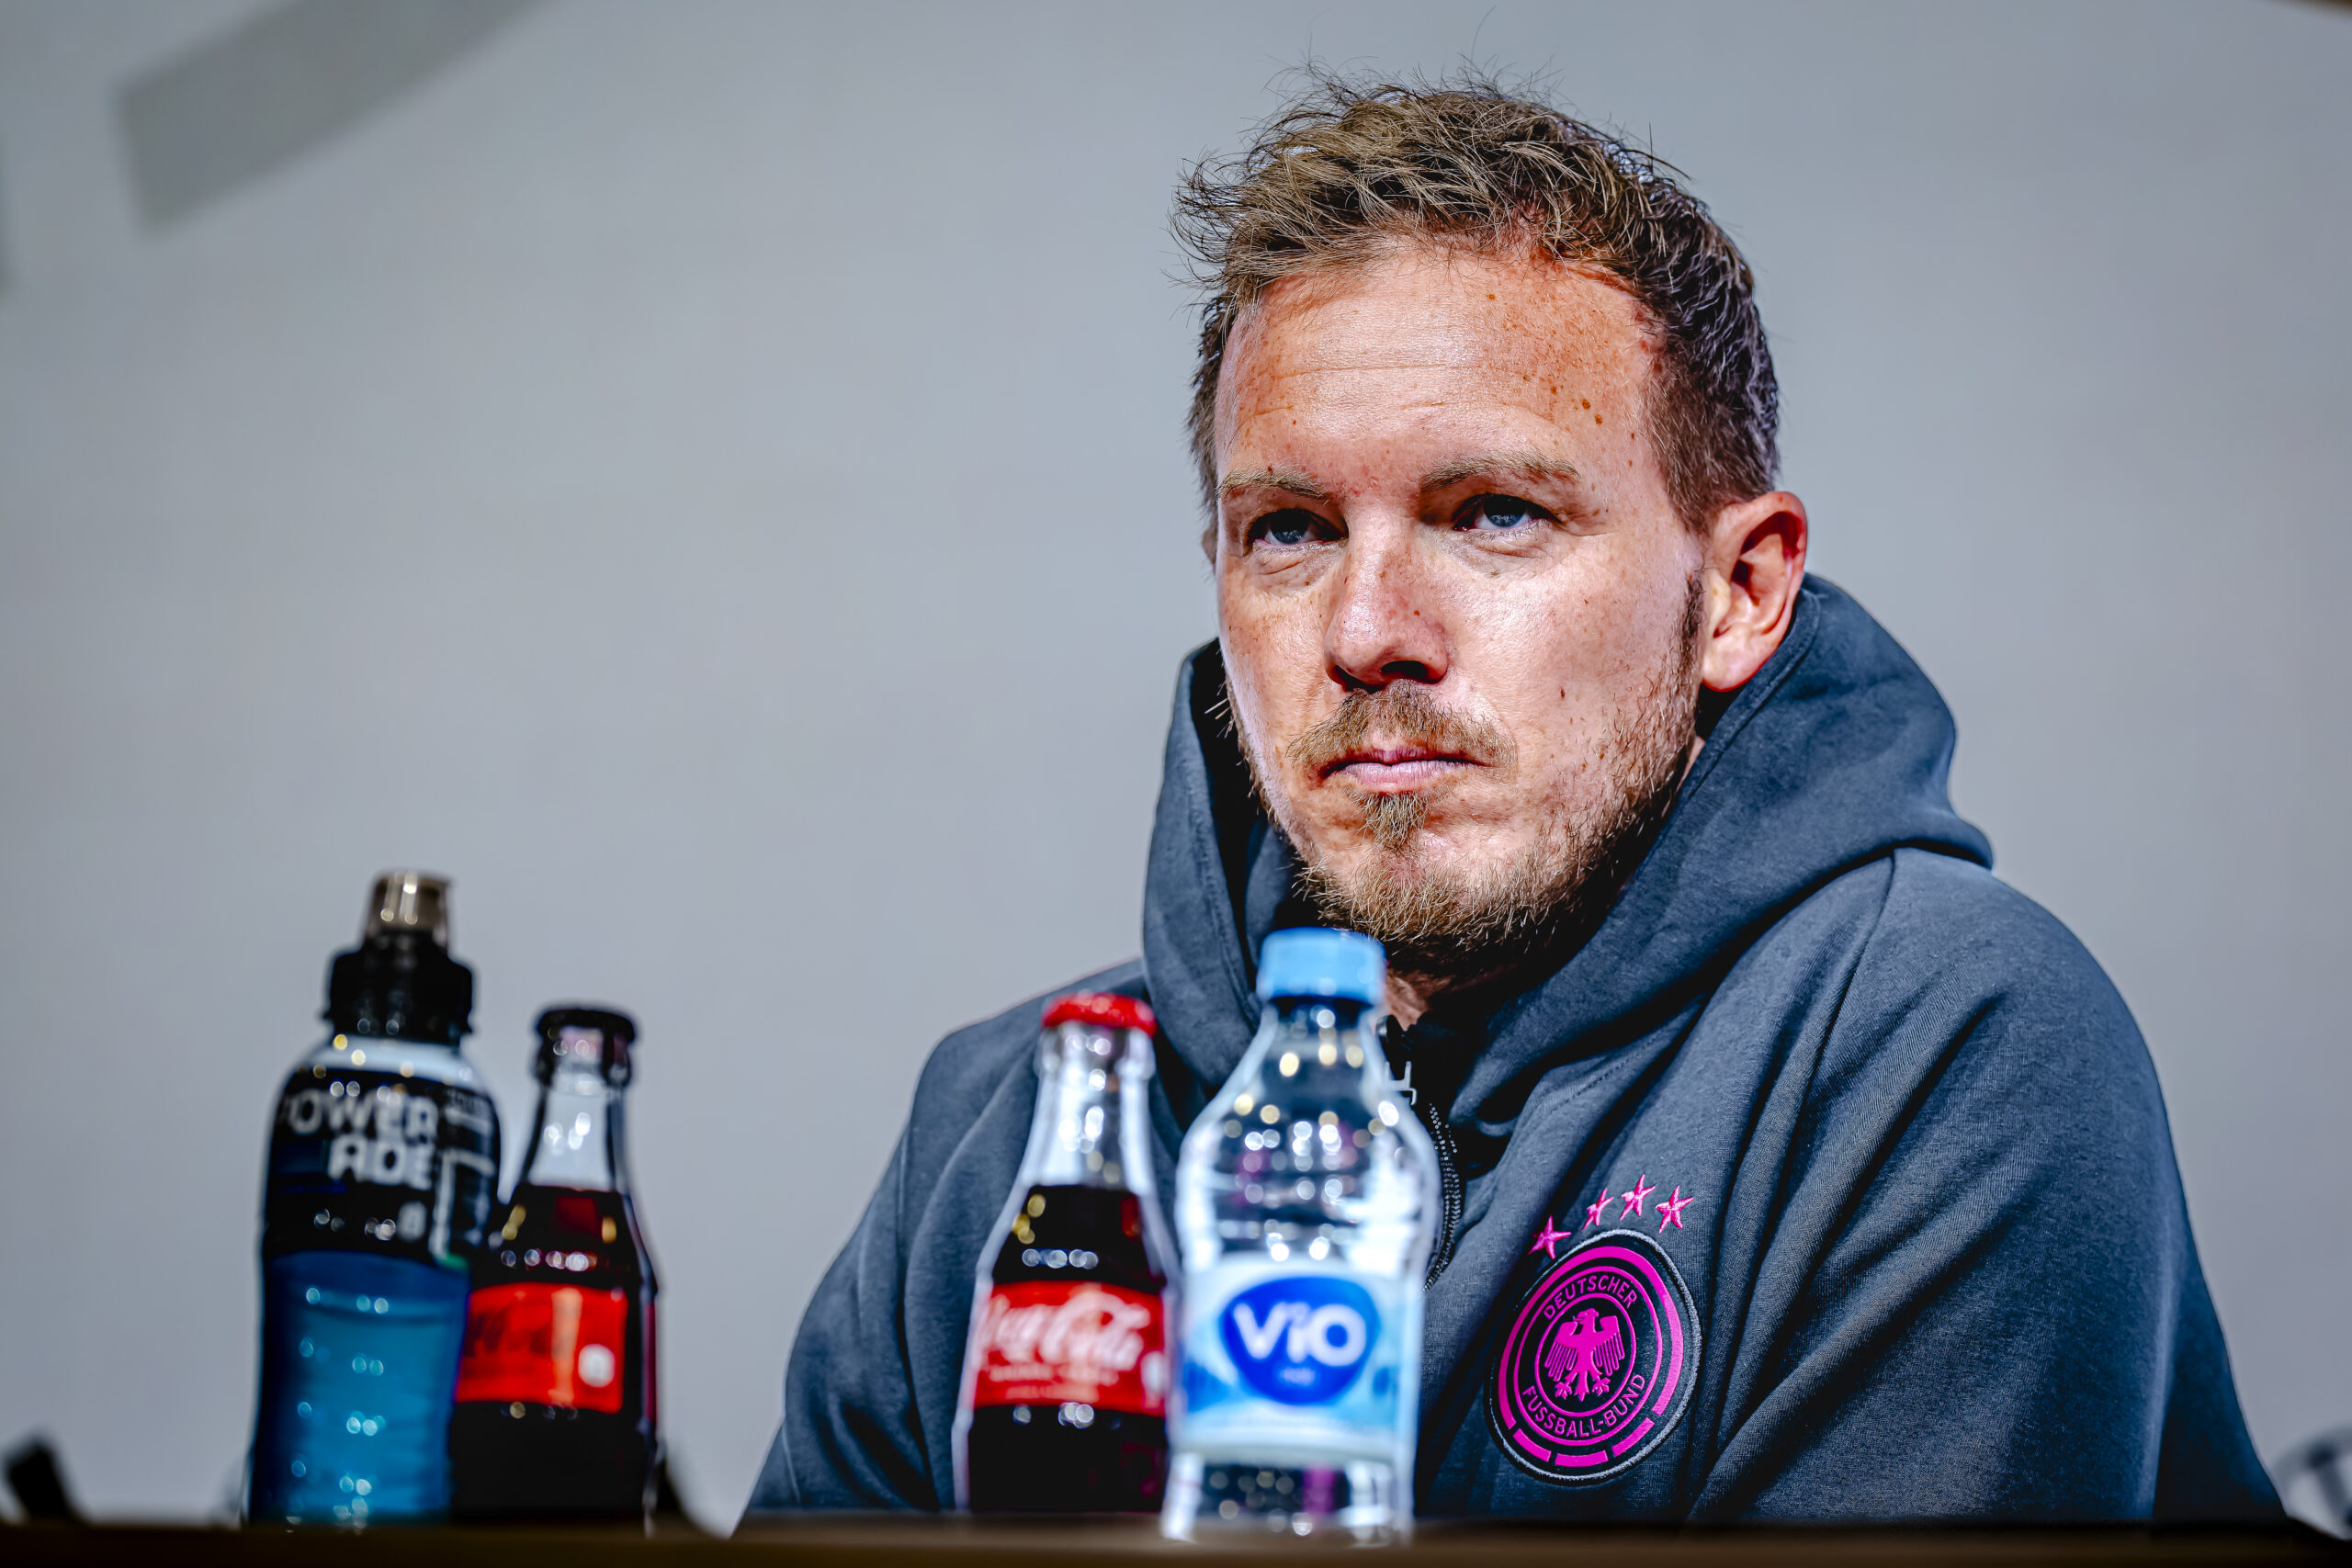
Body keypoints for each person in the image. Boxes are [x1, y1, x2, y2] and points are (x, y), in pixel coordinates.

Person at [745, 73, 2278, 1521]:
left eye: (1493, 514)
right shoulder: (1013, 1122)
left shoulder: (1939, 1043)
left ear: (1739, 592)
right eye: (1288, 531)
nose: (1365, 631)